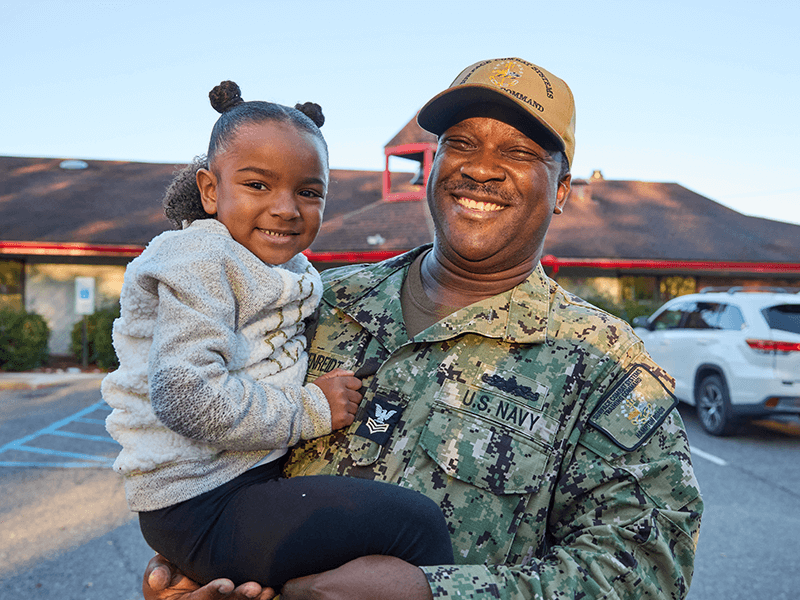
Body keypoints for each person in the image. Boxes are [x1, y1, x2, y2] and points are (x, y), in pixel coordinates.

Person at [143, 58, 703, 600]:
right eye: (460, 143)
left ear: (561, 189)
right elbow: (201, 443)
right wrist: (193, 569)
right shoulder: (314, 300)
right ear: (433, 165)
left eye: (518, 151)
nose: (480, 168)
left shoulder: (604, 362)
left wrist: (431, 593)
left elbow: (647, 570)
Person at [102, 81, 454, 590]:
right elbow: (185, 396)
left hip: (239, 484)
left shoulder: (282, 266)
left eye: (308, 192)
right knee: (416, 524)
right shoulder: (199, 260)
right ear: (209, 190)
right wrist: (313, 409)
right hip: (199, 502)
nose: (286, 208)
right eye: (258, 185)